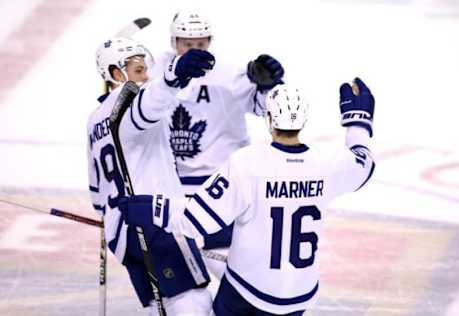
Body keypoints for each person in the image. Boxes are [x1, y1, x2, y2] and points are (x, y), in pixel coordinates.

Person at [119, 78, 376, 315]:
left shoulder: (248, 164)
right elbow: (363, 163)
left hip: (246, 293)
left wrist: (150, 207)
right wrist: (358, 122)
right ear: (304, 120)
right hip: (300, 296)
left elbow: (194, 220)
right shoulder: (327, 163)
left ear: (269, 119)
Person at [149, 10, 285, 278]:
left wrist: (269, 87)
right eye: (187, 44)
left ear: (210, 41)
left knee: (231, 276)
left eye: (200, 44)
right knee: (174, 280)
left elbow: (266, 109)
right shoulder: (155, 72)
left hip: (220, 188)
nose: (194, 50)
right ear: (173, 42)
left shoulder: (230, 76)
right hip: (170, 189)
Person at [87, 37, 215, 315]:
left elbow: (97, 195)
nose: (146, 76)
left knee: (160, 306)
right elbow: (147, 108)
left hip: (121, 234)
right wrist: (172, 78)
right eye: (138, 70)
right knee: (193, 300)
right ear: (115, 74)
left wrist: (109, 216)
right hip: (153, 222)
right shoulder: (126, 105)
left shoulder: (95, 119)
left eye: (146, 70)